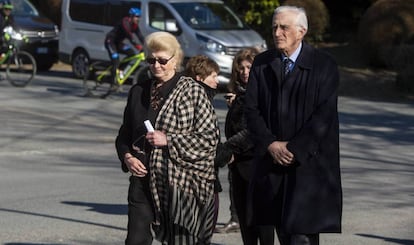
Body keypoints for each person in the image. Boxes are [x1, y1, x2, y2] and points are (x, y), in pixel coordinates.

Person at [244, 5, 342, 245]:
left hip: (308, 167)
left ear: (302, 31)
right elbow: (251, 109)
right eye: (274, 27)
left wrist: (294, 149)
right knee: (282, 232)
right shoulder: (262, 63)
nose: (277, 32)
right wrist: (271, 144)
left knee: (302, 236)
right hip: (272, 164)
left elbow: (324, 115)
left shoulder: (323, 65)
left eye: (284, 27)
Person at [115, 31, 219, 245]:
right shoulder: (138, 91)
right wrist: (127, 157)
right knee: (135, 241)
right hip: (142, 181)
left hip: (179, 184)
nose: (156, 65)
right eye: (151, 60)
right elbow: (124, 134)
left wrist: (169, 140)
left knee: (181, 241)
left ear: (176, 59)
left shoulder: (193, 92)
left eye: (162, 60)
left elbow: (210, 139)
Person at [215, 47, 275, 245]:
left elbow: (254, 131)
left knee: (261, 221)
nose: (244, 72)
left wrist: (227, 149)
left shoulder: (262, 95)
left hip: (257, 165)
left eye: (249, 67)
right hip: (239, 167)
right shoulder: (239, 95)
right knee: (245, 221)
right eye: (240, 68)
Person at [184, 54, 223, 233]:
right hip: (199, 176)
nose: (217, 81)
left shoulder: (200, 95)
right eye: (213, 76)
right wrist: (223, 154)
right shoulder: (198, 98)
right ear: (200, 78)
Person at [104, 7, 144, 86]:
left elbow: (141, 37)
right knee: (116, 61)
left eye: (139, 17)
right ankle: (112, 83)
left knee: (131, 53)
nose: (138, 19)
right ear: (131, 16)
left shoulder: (135, 25)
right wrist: (138, 47)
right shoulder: (125, 22)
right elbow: (129, 36)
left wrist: (147, 45)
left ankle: (120, 69)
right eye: (136, 17)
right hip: (110, 42)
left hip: (118, 43)